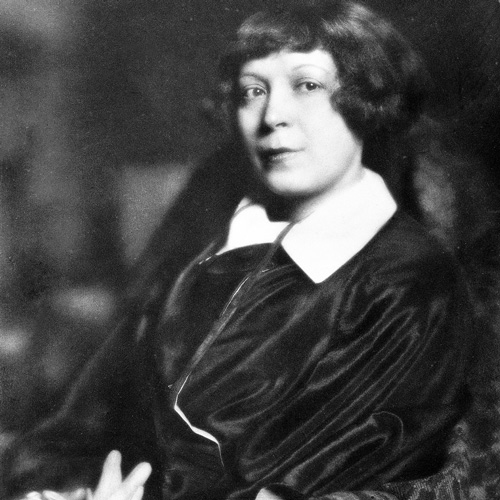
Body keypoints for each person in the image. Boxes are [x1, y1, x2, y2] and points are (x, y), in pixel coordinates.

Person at [1, 1, 474, 499]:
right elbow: (81, 427)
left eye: (307, 85)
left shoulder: (407, 281)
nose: (273, 116)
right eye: (254, 90)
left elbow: (316, 479)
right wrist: (60, 491)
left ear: (366, 99)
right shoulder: (204, 252)